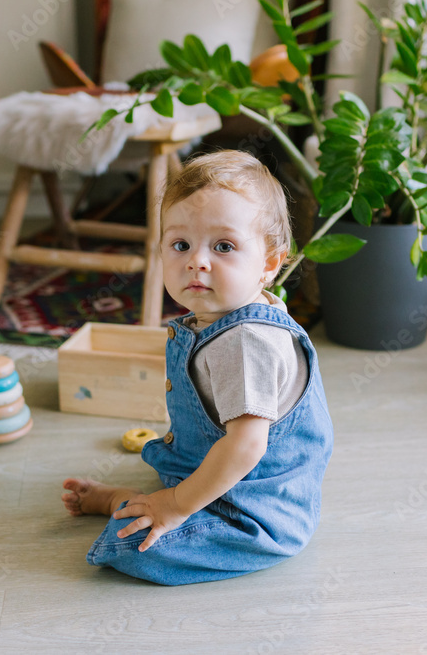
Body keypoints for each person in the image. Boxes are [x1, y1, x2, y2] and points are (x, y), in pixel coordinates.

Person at [61, 150, 334, 585]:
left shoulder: (247, 342)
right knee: (161, 509)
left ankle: (129, 501)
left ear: (268, 264)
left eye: (223, 246)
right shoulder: (220, 314)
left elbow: (246, 446)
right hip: (215, 471)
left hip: (257, 510)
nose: (197, 261)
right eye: (181, 245)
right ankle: (162, 496)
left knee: (136, 547)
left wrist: (175, 505)